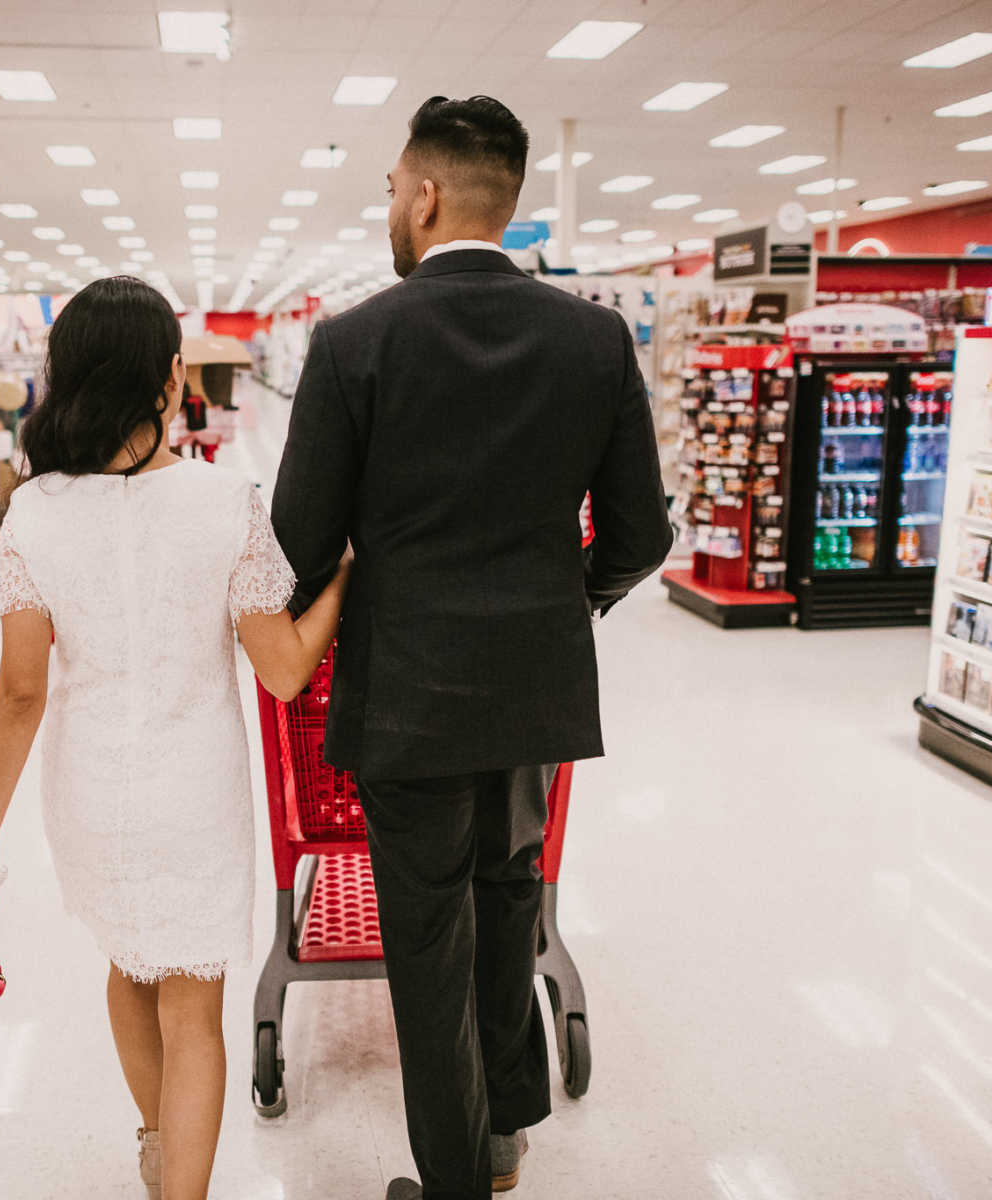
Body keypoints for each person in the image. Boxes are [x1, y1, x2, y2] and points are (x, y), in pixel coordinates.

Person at [271, 95, 674, 1199]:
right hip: (534, 693)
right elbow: (642, 534)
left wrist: (344, 596)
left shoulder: (356, 343)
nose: (390, 207)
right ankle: (503, 1133)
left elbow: (299, 540)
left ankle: (452, 1180)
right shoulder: (591, 338)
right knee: (510, 899)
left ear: (427, 191)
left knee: (428, 936)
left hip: (406, 694)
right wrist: (562, 603)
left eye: (393, 188)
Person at [0, 276, 350, 1200]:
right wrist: (345, 583)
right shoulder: (225, 502)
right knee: (194, 1007)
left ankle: (159, 1151)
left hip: (89, 789)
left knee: (129, 962)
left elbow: (18, 694)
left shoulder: (35, 511)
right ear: (171, 380)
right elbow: (283, 669)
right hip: (193, 789)